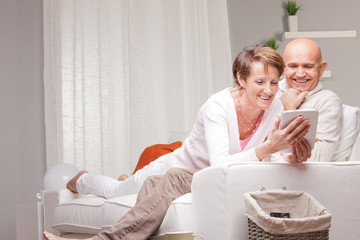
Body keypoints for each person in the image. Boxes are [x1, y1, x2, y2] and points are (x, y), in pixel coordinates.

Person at [44, 44, 312, 240]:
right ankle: (80, 179)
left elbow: (271, 157)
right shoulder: (217, 106)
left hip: (203, 179)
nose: (268, 90)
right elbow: (218, 164)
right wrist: (269, 147)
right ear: (241, 79)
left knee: (156, 185)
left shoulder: (275, 106)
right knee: (117, 190)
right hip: (175, 168)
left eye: (274, 82)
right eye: (260, 81)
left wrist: (291, 157)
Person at [276, 38, 343, 162]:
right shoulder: (269, 92)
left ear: (321, 69)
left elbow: (319, 158)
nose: (300, 73)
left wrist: (289, 110)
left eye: (308, 66)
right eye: (293, 66)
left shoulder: (328, 101)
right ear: (283, 68)